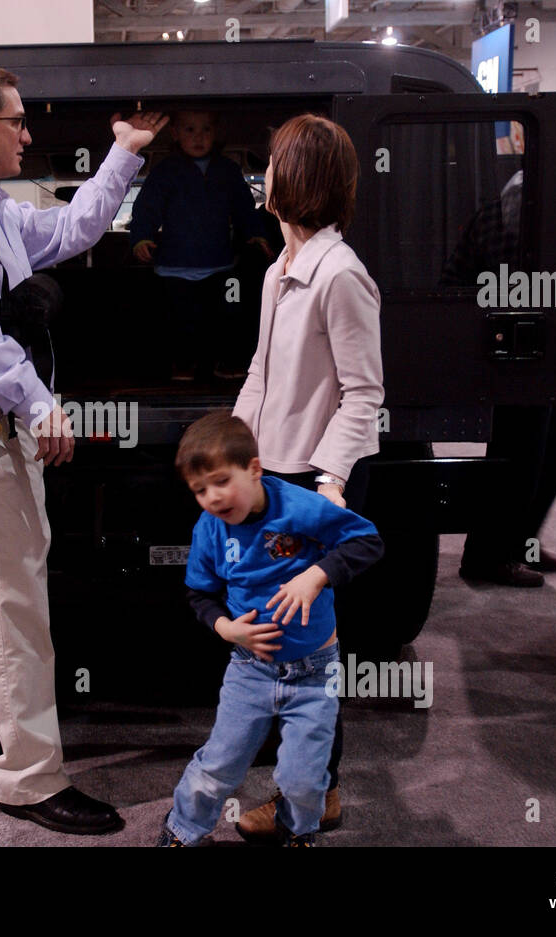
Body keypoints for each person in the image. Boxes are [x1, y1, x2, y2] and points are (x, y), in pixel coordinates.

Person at [0, 65, 166, 834]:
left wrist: (124, 152)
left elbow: (75, 231)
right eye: (16, 121)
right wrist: (40, 403)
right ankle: (29, 778)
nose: (28, 132)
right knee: (11, 598)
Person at [229, 113, 384, 841]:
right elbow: (262, 371)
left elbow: (364, 392)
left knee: (309, 651)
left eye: (271, 162)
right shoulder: (277, 270)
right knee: (274, 643)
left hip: (308, 483)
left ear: (294, 179)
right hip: (269, 474)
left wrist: (329, 480)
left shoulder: (341, 274)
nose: (263, 174)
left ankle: (313, 796)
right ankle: (302, 785)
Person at [157, 412, 382, 846]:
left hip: (316, 673)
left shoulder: (301, 506)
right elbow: (199, 595)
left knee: (303, 777)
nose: (212, 498)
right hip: (250, 669)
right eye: (200, 490)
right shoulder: (210, 529)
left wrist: (315, 575)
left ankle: (298, 830)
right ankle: (183, 827)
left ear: (255, 469)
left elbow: (367, 541)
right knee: (219, 765)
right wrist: (226, 628)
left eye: (222, 481)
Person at [442, 113, 556, 587]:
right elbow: (519, 287)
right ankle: (488, 557)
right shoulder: (524, 198)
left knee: (550, 452)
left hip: (532, 347)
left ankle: (518, 544)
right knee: (519, 456)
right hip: (509, 346)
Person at [130, 110, 270, 381]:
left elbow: (244, 208)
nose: (199, 137)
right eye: (189, 130)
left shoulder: (228, 170)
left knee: (226, 318)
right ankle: (182, 365)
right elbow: (147, 208)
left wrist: (256, 234)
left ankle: (225, 363)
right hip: (174, 267)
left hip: (220, 265)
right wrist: (141, 237)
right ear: (175, 133)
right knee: (182, 322)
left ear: (215, 132)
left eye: (206, 129)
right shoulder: (165, 172)